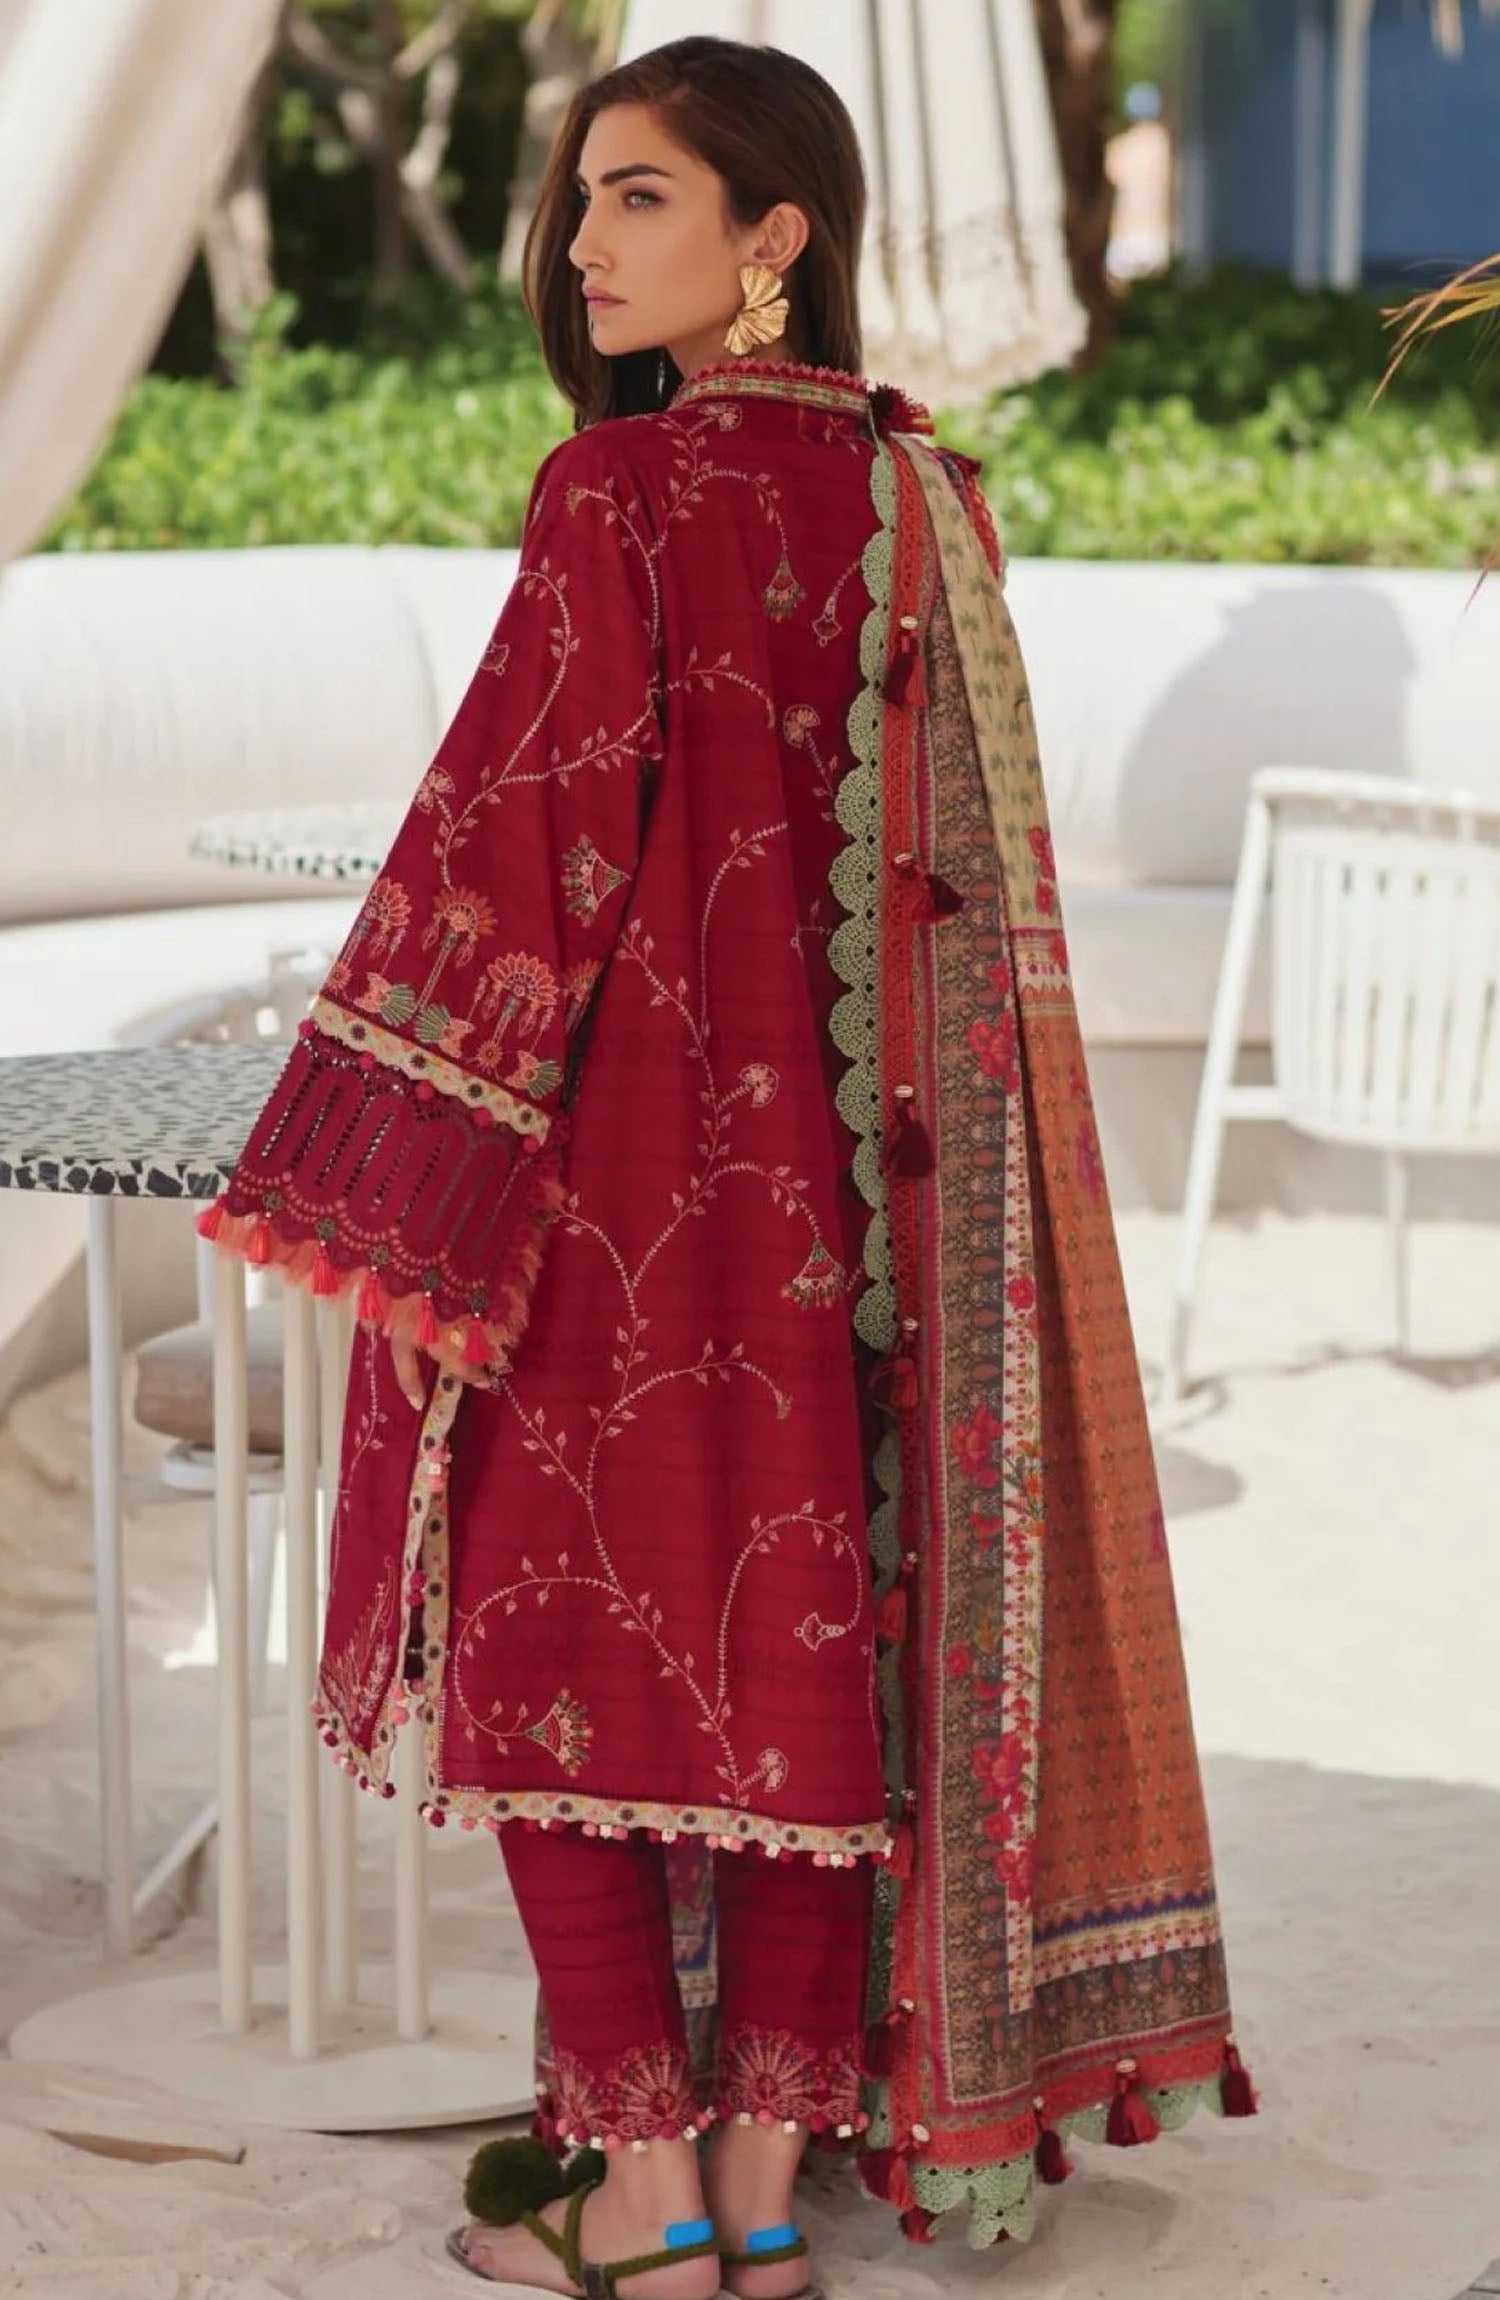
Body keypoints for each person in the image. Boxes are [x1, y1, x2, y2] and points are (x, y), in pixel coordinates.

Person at [199, 34, 1255, 2299]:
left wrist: (380, 1158)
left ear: (778, 236)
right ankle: (762, 2208)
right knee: (802, 1680)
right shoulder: (926, 498)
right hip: (878, 1216)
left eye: (641, 198)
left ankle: (640, 2201)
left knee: (557, 1662)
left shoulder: (620, 493)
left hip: (616, 1199)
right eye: (581, 199)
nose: (583, 246)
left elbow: (520, 847)